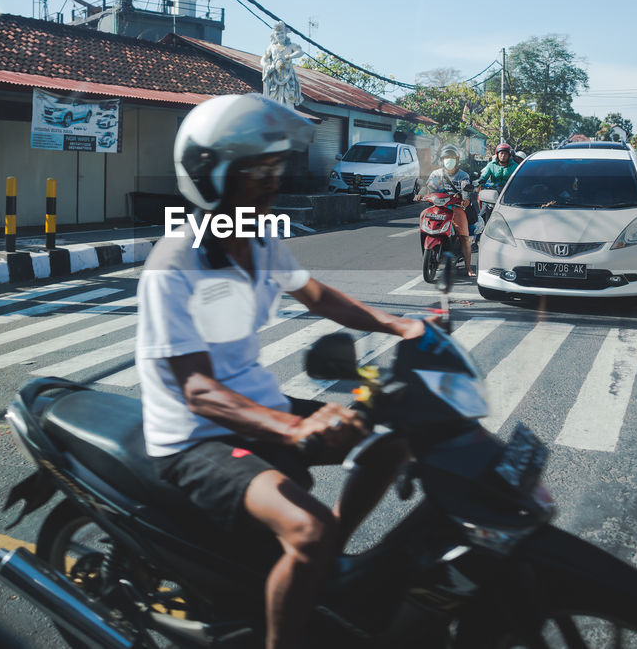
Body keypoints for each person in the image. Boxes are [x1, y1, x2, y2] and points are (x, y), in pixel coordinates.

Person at [137, 93, 426, 649]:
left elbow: (320, 297)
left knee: (392, 442)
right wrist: (293, 428)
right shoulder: (173, 263)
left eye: (274, 168)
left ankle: (315, 567)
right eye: (255, 172)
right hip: (198, 438)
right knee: (308, 529)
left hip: (261, 409)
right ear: (211, 177)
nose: (271, 182)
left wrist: (403, 326)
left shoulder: (259, 237)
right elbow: (197, 390)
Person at [420, 145, 475, 277]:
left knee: (463, 236)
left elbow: (466, 190)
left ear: (457, 160)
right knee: (423, 216)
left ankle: (468, 268)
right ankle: (428, 253)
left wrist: (465, 199)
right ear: (442, 160)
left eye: (452, 158)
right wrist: (419, 194)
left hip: (455, 208)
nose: (449, 160)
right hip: (437, 207)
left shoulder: (463, 175)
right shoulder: (436, 174)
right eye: (446, 158)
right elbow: (427, 187)